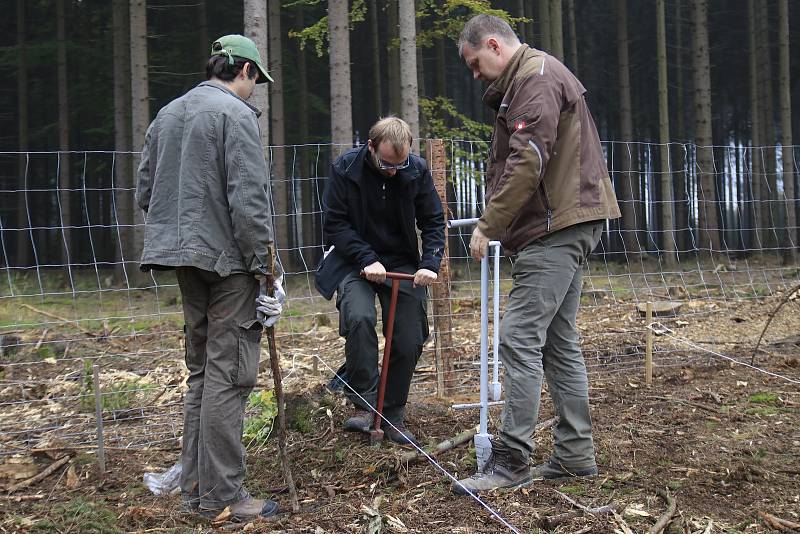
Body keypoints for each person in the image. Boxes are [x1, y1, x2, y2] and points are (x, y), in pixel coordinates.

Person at [452, 15, 621, 494]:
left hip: (555, 225)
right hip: (566, 220)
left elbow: (529, 159)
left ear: (492, 45)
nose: (475, 73)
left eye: (475, 63)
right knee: (557, 340)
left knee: (518, 334)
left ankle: (510, 461)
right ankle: (574, 455)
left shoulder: (534, 79)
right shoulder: (533, 77)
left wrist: (490, 224)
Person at [135, 34, 284, 520]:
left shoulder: (167, 114)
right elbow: (249, 202)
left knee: (202, 371)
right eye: (256, 80)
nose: (255, 89)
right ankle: (222, 497)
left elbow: (145, 192)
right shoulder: (235, 115)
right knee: (230, 373)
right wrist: (267, 270)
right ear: (243, 71)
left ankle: (197, 490)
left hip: (182, 259)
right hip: (230, 264)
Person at [315, 117, 445, 446]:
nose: (393, 171)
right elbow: (335, 224)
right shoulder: (346, 169)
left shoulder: (415, 170)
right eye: (387, 164)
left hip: (400, 261)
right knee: (359, 317)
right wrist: (365, 258)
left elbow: (433, 220)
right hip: (351, 260)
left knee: (409, 333)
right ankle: (363, 403)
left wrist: (430, 262)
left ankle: (391, 412)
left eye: (399, 165)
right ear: (370, 147)